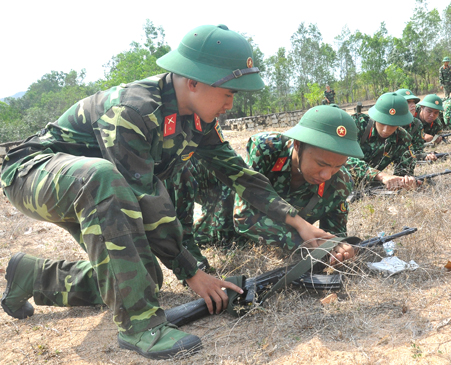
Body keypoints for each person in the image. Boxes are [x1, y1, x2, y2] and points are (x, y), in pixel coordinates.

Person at [0, 24, 331, 360]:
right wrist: (191, 271)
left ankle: (33, 276)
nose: (230, 104)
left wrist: (298, 222)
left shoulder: (197, 120)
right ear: (193, 82)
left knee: (142, 279)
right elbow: (142, 195)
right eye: (228, 93)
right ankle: (139, 328)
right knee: (104, 178)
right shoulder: (133, 110)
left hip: (92, 187)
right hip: (32, 172)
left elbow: (239, 173)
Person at [174, 105, 363, 260]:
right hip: (221, 235)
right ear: (298, 144)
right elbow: (244, 218)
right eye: (321, 164)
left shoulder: (340, 182)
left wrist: (340, 250)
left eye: (337, 166)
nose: (327, 175)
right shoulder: (268, 149)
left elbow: (334, 236)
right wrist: (303, 243)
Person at [346, 92, 418, 190]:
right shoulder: (356, 124)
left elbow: (404, 171)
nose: (385, 130)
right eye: (382, 122)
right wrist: (381, 176)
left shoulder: (403, 138)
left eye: (392, 125)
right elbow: (342, 159)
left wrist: (405, 182)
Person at [396, 89, 437, 161]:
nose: (413, 105)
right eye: (408, 102)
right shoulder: (388, 124)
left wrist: (425, 156)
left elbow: (418, 150)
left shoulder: (416, 124)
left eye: (413, 102)